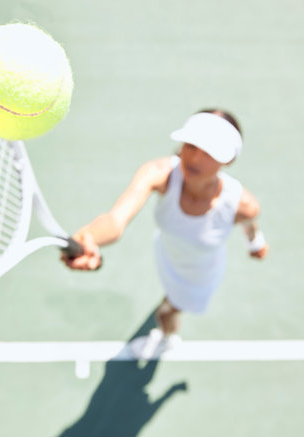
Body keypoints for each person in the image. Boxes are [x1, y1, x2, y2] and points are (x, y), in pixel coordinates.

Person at [62, 109, 269, 358]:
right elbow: (116, 220)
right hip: (167, 255)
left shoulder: (243, 204)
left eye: (209, 152)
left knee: (167, 311)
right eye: (191, 145)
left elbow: (249, 222)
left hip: (199, 274)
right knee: (167, 296)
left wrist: (255, 242)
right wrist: (86, 239)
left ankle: (168, 340)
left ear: (228, 160)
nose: (195, 158)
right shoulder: (159, 173)